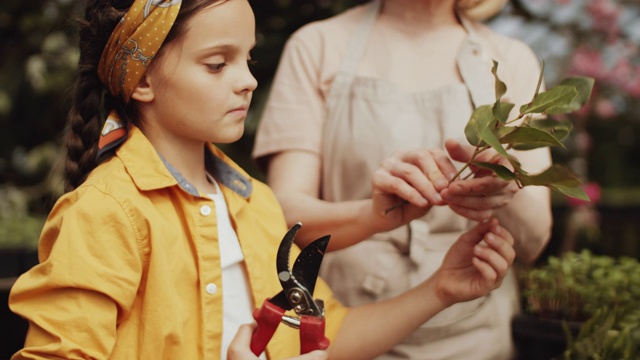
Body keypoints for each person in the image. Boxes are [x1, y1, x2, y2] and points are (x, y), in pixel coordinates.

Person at [8, 0, 516, 359]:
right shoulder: (106, 213)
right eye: (217, 64)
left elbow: (323, 334)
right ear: (141, 80)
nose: (248, 79)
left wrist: (441, 290)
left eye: (247, 59)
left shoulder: (254, 205)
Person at [252, 0, 553, 359]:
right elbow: (287, 220)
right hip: (344, 333)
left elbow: (534, 241)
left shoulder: (513, 59)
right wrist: (371, 215)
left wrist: (505, 190)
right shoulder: (315, 46)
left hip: (479, 338)